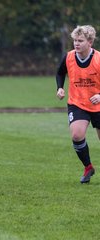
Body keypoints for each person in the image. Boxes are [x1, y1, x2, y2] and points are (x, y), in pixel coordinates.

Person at [56, 25, 100, 184]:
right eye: (75, 40)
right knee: (76, 135)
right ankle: (88, 167)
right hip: (77, 103)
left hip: (98, 105)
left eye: (80, 41)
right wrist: (60, 88)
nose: (76, 44)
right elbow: (60, 72)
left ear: (90, 42)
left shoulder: (98, 59)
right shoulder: (68, 57)